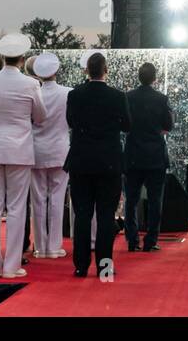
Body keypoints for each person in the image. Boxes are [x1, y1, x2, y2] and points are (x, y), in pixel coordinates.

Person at [0, 33, 46, 280]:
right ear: (22, 58)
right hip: (19, 150)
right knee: (17, 208)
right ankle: (11, 265)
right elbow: (40, 116)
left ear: (2, 57)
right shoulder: (31, 84)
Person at [65, 52, 132, 278]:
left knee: (82, 214)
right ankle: (105, 265)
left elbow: (71, 122)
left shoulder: (75, 95)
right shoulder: (117, 96)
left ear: (87, 70)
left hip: (81, 160)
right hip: (109, 162)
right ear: (106, 70)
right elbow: (127, 125)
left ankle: (81, 265)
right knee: (105, 215)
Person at [123, 61, 173, 252]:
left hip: (133, 154)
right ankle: (151, 241)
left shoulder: (128, 97)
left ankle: (132, 240)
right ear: (154, 78)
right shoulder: (161, 99)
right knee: (155, 201)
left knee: (131, 201)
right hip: (155, 157)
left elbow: (124, 124)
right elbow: (168, 125)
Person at [28, 52, 72, 260]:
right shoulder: (68, 93)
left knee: (37, 199)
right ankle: (54, 246)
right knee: (57, 198)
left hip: (36, 150)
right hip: (60, 149)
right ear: (56, 71)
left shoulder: (33, 92)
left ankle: (40, 246)